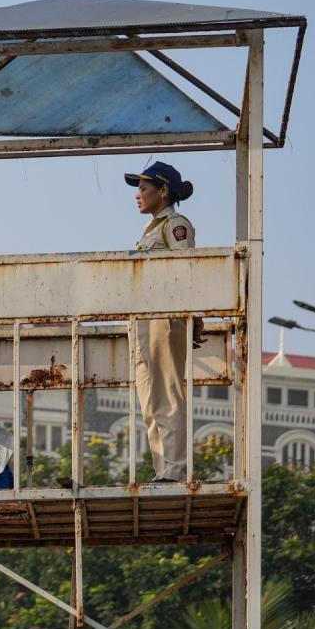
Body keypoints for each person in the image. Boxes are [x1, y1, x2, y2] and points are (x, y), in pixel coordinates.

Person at [126, 161, 204, 483]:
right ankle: (163, 470)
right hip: (144, 320)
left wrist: (193, 316)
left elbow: (186, 273)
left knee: (167, 396)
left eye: (143, 188)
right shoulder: (150, 229)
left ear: (163, 191)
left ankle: (175, 470)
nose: (138, 195)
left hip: (165, 318)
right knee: (149, 403)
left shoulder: (175, 224)